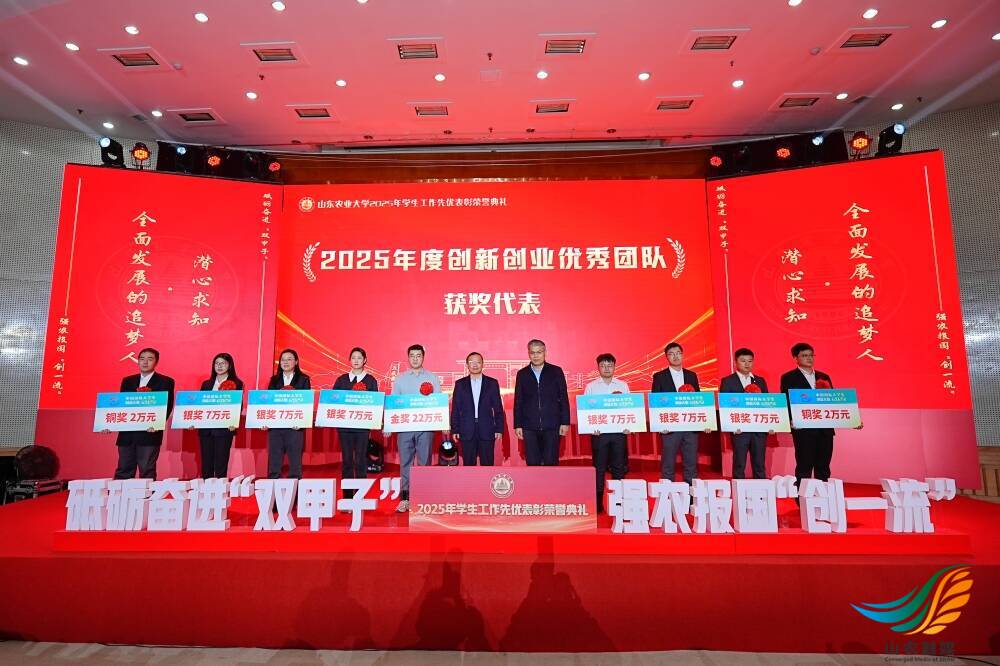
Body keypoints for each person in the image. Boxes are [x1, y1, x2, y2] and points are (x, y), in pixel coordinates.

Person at [386, 344, 444, 513]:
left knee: (424, 462)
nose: (415, 359)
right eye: (412, 356)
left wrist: (443, 424)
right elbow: (394, 403)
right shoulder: (400, 379)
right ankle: (405, 499)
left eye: (418, 355)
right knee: (405, 463)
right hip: (405, 428)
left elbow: (438, 403)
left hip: (425, 427)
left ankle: (422, 499)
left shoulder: (432, 378)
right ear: (408, 358)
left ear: (423, 357)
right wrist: (388, 425)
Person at [113, 347, 175, 480]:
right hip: (127, 433)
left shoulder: (166, 381)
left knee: (147, 469)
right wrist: (110, 424)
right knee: (123, 469)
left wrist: (157, 424)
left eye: (150, 359)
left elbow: (167, 405)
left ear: (156, 362)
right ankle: (121, 493)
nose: (145, 362)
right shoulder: (128, 381)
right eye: (142, 359)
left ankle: (146, 493)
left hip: (150, 432)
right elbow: (121, 405)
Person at [780, 342, 836, 488]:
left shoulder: (824, 376)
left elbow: (833, 400)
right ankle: (802, 497)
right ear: (795, 358)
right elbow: (786, 401)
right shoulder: (789, 377)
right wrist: (791, 420)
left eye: (811, 355)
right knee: (804, 465)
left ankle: (823, 496)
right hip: (803, 429)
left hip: (825, 429)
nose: (809, 358)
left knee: (824, 466)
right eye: (804, 355)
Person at [651, 342, 707, 484]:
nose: (675, 356)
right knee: (668, 464)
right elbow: (655, 403)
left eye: (678, 353)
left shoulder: (692, 375)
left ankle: (691, 494)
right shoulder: (659, 376)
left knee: (691, 463)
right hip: (670, 427)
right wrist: (660, 425)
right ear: (666, 357)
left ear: (682, 355)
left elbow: (699, 401)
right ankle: (668, 493)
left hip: (690, 427)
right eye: (671, 354)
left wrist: (704, 423)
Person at [584, 353, 630, 513]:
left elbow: (629, 408)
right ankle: (598, 502)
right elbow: (586, 411)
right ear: (598, 368)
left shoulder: (623, 385)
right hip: (599, 434)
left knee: (619, 467)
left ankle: (619, 501)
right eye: (603, 366)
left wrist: (628, 426)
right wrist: (591, 428)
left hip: (619, 433)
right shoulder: (591, 387)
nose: (606, 368)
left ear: (614, 367)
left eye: (609, 365)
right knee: (599, 468)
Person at [513, 339, 571, 466]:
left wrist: (565, 422)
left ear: (545, 352)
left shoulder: (556, 371)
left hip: (552, 425)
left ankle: (552, 480)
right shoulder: (522, 374)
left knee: (551, 462)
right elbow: (518, 401)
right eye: (532, 353)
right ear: (528, 354)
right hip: (529, 426)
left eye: (539, 352)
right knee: (532, 463)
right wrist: (517, 425)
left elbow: (563, 398)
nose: (536, 356)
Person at [332, 347, 378, 497]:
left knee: (360, 460)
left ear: (365, 360)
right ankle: (347, 496)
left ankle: (359, 496)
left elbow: (375, 404)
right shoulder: (342, 380)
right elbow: (333, 401)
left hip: (362, 428)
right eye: (353, 358)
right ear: (349, 360)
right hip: (344, 428)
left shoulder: (371, 380)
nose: (356, 360)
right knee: (347, 460)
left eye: (359, 358)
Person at [720, 347, 771, 480]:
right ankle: (739, 490)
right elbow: (725, 406)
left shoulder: (760, 381)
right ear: (735, 362)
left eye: (750, 361)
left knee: (759, 464)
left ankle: (761, 490)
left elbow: (767, 404)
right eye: (743, 361)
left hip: (759, 429)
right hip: (739, 429)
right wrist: (732, 426)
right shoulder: (728, 381)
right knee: (739, 463)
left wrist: (770, 425)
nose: (747, 364)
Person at [450, 352, 505, 466]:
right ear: (467, 365)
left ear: (482, 364)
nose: (475, 365)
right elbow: (455, 408)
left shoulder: (492, 383)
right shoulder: (460, 384)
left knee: (487, 464)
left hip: (487, 429)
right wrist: (455, 429)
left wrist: (499, 429)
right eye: (471, 362)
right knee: (469, 465)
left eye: (478, 362)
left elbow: (498, 408)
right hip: (466, 429)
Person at [263, 348, 311, 479]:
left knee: (295, 462)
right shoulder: (274, 380)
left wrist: (301, 423)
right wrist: (265, 422)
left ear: (296, 362)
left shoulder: (303, 379)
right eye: (283, 360)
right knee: (274, 460)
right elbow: (269, 402)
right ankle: (273, 486)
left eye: (289, 359)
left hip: (295, 426)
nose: (285, 362)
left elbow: (306, 403)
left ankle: (294, 488)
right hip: (276, 426)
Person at [197, 352, 244, 479]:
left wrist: (234, 422)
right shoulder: (206, 384)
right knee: (206, 462)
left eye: (223, 363)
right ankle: (206, 487)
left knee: (221, 461)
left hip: (224, 428)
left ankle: (220, 487)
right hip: (206, 428)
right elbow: (199, 405)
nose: (219, 366)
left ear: (229, 365)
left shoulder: (237, 383)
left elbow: (238, 405)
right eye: (217, 363)